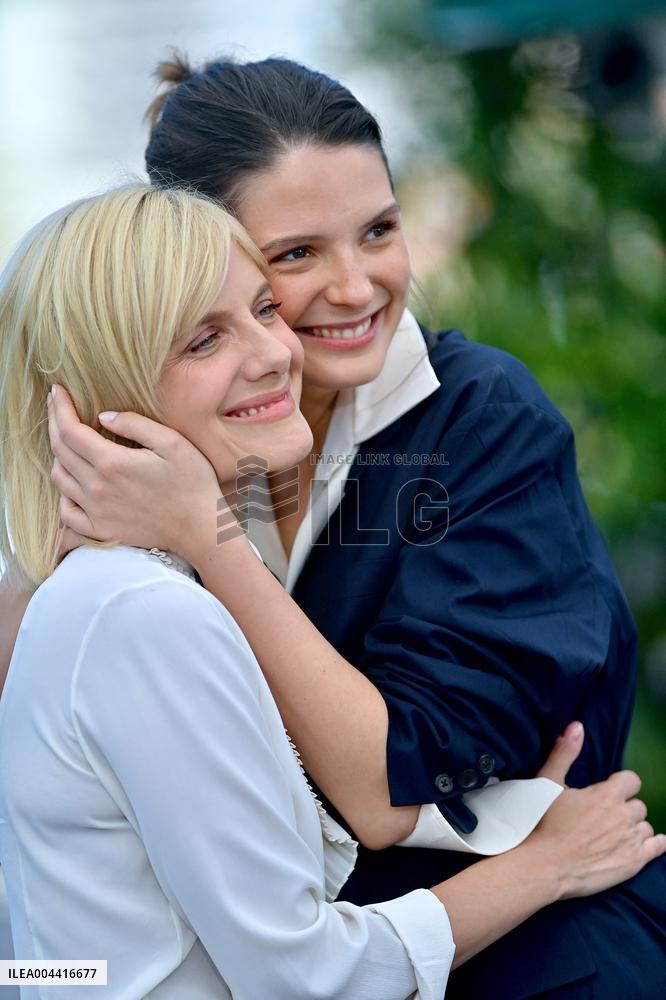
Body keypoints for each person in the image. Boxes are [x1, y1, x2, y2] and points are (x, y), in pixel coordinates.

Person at [4, 57, 666, 996]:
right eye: (295, 256)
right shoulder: (168, 492)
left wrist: (205, 536)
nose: (356, 288)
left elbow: (386, 792)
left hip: (537, 956)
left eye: (380, 231)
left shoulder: (480, 421)